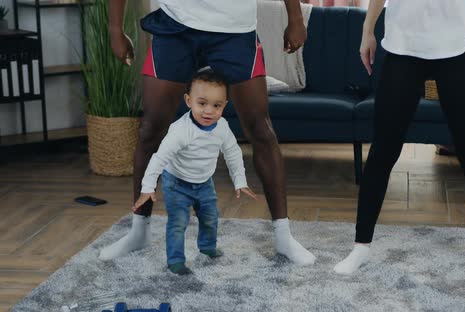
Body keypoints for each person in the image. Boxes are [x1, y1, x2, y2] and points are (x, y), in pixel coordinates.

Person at [99, 0, 316, 266]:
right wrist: (115, 30)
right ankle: (139, 231)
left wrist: (296, 19)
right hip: (175, 26)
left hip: (235, 31)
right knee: (150, 130)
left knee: (261, 129)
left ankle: (283, 237)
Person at [334, 0, 465, 283]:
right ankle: (360, 247)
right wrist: (368, 30)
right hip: (403, 46)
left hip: (456, 47)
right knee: (383, 150)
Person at [131, 70, 256, 275]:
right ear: (189, 101)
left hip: (204, 182)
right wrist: (147, 187)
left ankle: (207, 246)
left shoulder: (222, 127)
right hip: (177, 183)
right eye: (202, 103)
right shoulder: (180, 131)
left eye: (216, 105)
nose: (209, 111)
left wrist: (240, 181)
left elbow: (232, 152)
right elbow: (159, 158)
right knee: (178, 223)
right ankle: (176, 260)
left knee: (210, 217)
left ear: (224, 105)